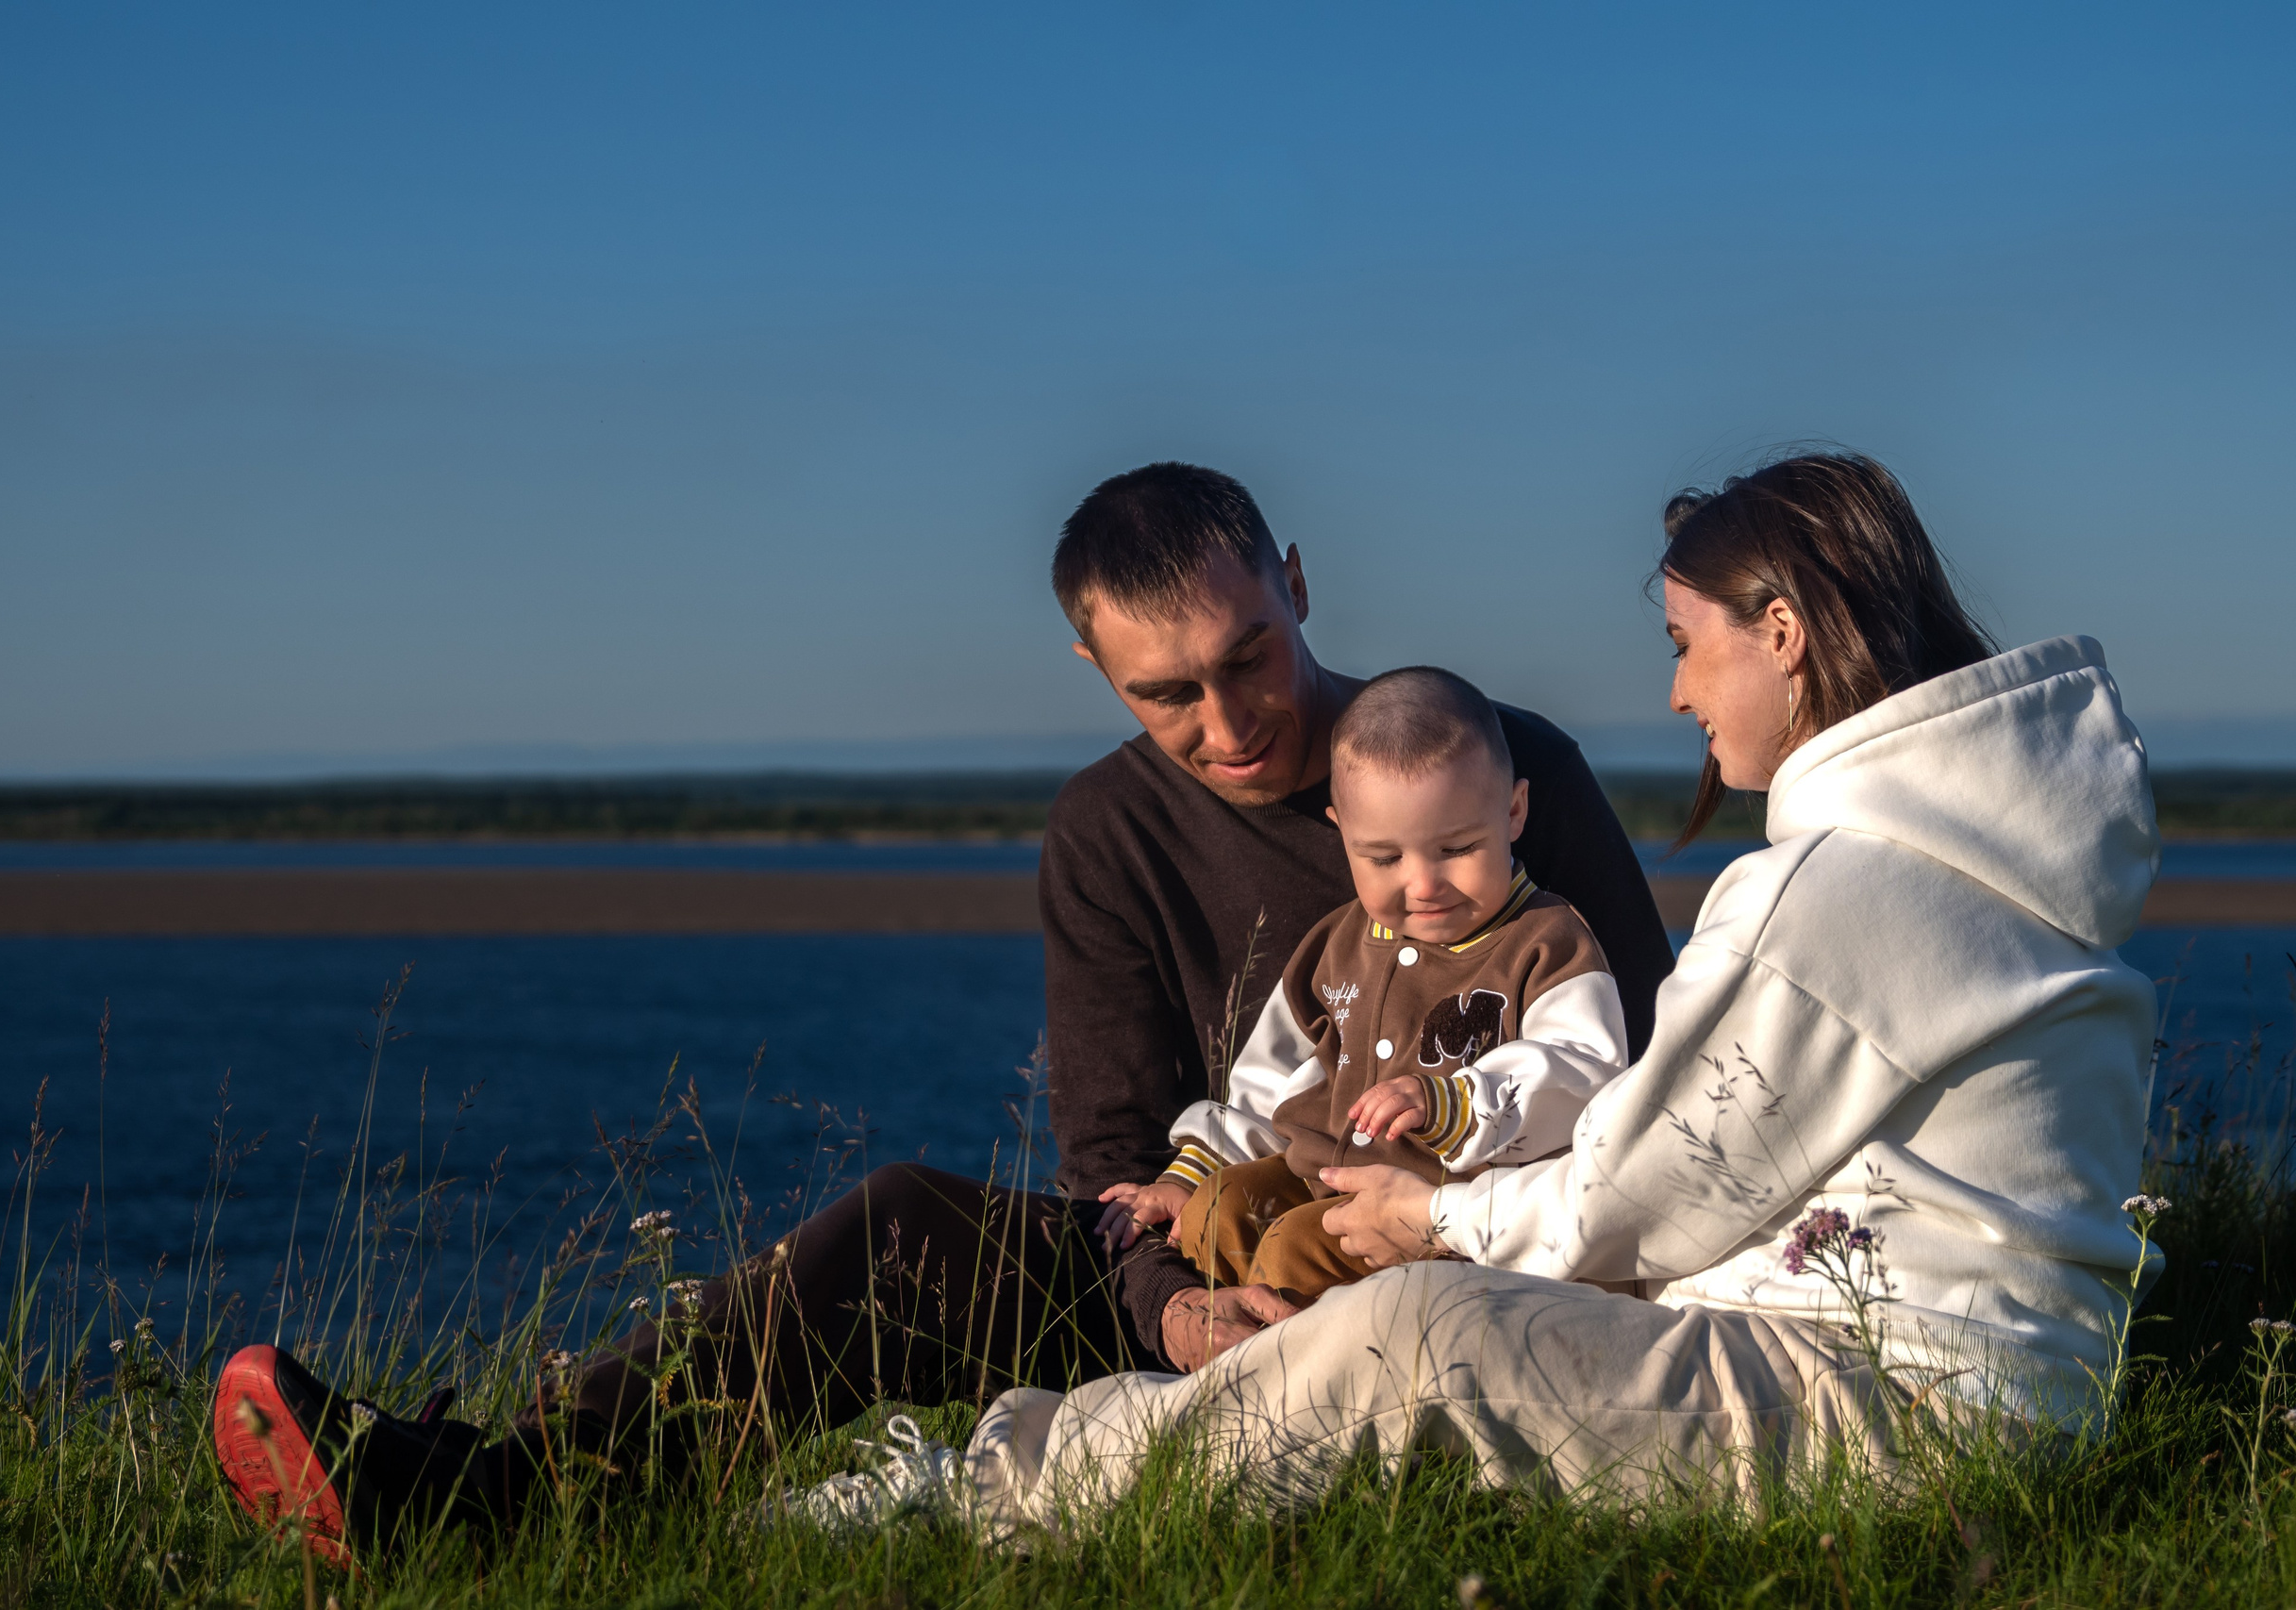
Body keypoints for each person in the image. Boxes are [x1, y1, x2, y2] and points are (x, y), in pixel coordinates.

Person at [208, 461, 1673, 1552]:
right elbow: (1113, 1149)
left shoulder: (1496, 760)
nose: (1227, 725)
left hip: (1492, 1242)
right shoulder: (1104, 831)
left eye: (1248, 659)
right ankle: (489, 1496)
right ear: (1092, 667)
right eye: (1166, 692)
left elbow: (1665, 1070)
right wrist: (1174, 1314)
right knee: (907, 1220)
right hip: (1213, 1251)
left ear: (1296, 581)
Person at [838, 450, 2159, 1532]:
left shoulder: (1839, 893)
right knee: (1430, 1317)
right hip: (1996, 1389)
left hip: (1889, 1404)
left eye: (1689, 644)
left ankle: (975, 1492)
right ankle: (1024, 1463)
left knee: (1421, 1333)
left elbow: (1642, 1193)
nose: (1679, 687)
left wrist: (1433, 1207)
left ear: (1785, 633)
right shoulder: (1983, 858)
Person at [1112, 664, 1630, 1303]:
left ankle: (1315, 1384)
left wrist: (1453, 1102)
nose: (1423, 883)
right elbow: (1268, 1078)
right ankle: (1235, 1356)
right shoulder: (1337, 944)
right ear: (1342, 832)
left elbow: (1583, 1070)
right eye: (1384, 857)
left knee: (1295, 1247)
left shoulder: (1546, 941)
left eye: (1458, 848)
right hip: (1318, 1170)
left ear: (1514, 811)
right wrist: (1194, 1169)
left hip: (1440, 1216)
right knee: (1219, 1209)